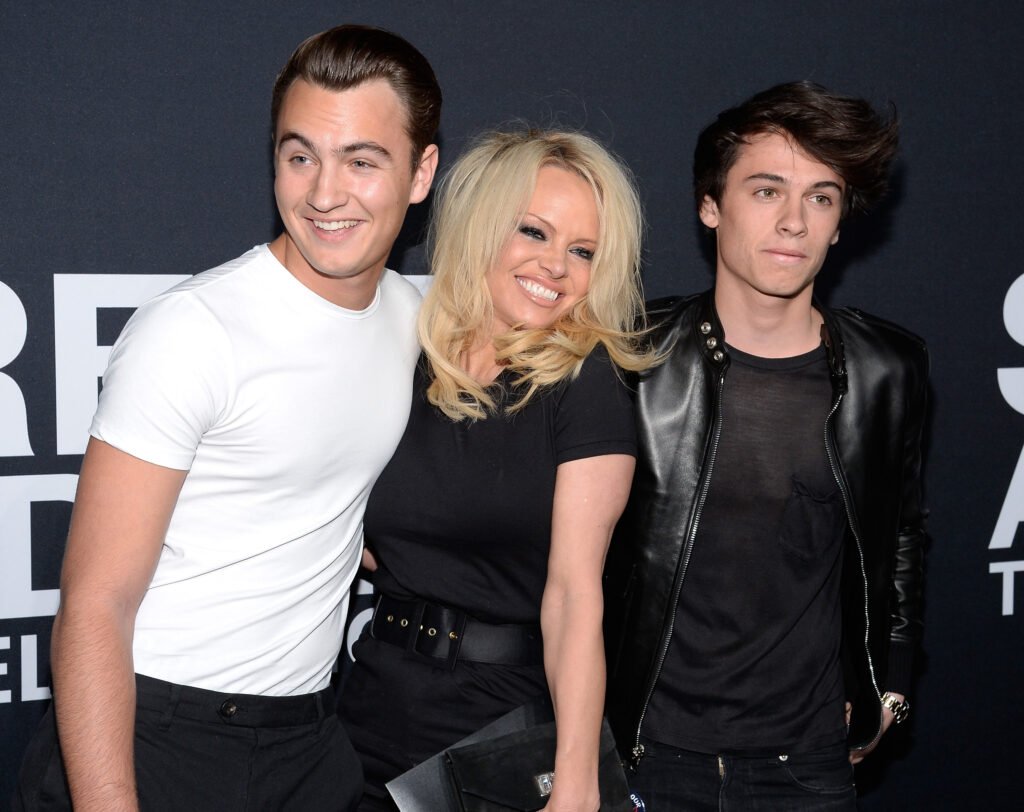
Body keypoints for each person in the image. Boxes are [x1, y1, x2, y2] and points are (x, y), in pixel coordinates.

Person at [13, 25, 440, 812]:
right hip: (155, 732)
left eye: (362, 160)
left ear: (422, 173)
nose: (323, 193)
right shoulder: (195, 330)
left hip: (311, 738)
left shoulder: (414, 316)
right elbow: (93, 604)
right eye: (299, 154)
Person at [604, 81, 928, 810]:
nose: (793, 222)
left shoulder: (887, 370)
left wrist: (893, 683)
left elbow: (900, 533)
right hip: (646, 755)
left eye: (821, 197)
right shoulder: (632, 359)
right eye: (766, 190)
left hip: (808, 763)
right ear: (710, 205)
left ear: (841, 222)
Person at [338, 129, 654, 811]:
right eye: (534, 232)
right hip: (367, 709)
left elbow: (574, 597)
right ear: (482, 228)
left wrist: (576, 782)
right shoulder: (404, 353)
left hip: (494, 733)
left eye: (582, 251)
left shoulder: (584, 383)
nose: (556, 266)